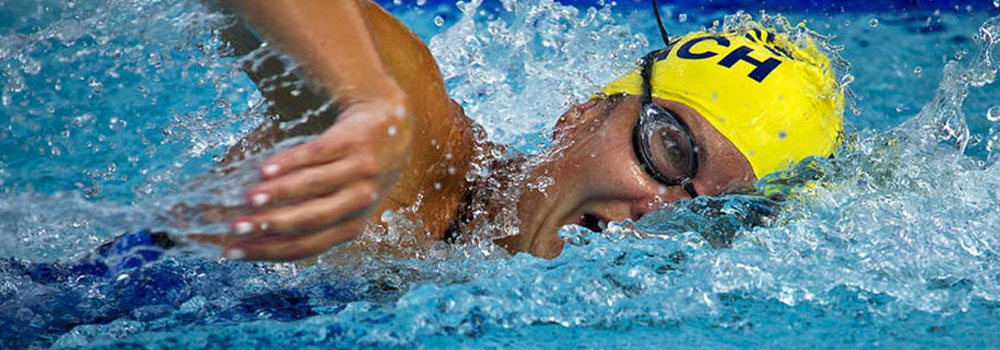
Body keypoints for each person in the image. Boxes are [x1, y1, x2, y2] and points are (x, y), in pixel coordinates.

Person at [188, 0, 843, 261]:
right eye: (668, 150)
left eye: (715, 215)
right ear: (581, 115)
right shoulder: (416, 159)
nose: (658, 210)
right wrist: (365, 99)